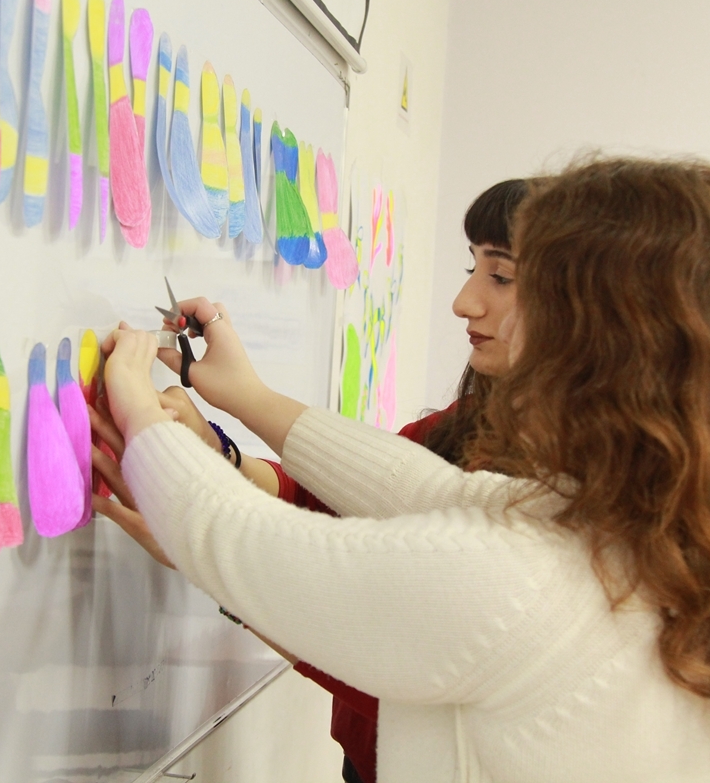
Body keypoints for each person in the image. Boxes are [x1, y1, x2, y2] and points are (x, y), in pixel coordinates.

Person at [97, 158, 710, 782]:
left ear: (607, 338)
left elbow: (244, 543)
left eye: (516, 282)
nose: (468, 302)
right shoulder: (681, 535)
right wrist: (251, 400)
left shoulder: (529, 579)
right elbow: (441, 492)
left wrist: (136, 405)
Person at [92, 179, 529, 783]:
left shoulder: (560, 516)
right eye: (472, 268)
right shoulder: (466, 424)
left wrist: (202, 543)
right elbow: (337, 506)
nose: (463, 301)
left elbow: (398, 669)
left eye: (500, 277)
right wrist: (220, 451)